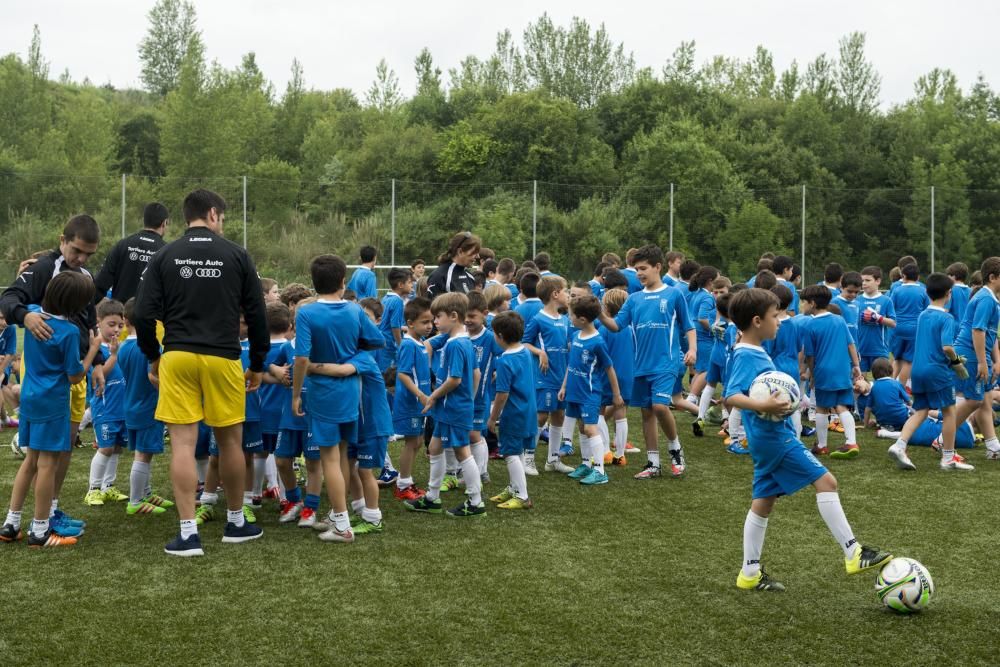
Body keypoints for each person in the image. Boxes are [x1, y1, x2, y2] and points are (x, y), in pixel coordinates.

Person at [724, 287, 892, 592]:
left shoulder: (752, 350)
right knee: (827, 482)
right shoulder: (747, 354)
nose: (781, 320)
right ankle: (853, 552)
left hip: (768, 436)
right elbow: (731, 396)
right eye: (776, 316)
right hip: (772, 437)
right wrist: (765, 405)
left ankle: (749, 573)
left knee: (763, 501)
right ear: (758, 321)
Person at [133, 189, 268, 557]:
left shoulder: (164, 255)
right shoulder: (237, 254)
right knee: (230, 442)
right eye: (221, 217)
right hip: (223, 357)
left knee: (182, 443)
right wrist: (257, 363)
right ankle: (237, 522)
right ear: (213, 214)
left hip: (177, 355)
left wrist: (153, 355)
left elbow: (143, 314)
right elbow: (257, 315)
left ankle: (188, 533)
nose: (221, 223)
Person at [0, 214, 105, 534]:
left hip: (50, 384)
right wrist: (24, 318)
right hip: (56, 380)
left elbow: (89, 322)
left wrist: (98, 360)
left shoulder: (83, 276)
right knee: (48, 457)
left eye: (89, 254)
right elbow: (9, 300)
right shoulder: (44, 268)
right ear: (62, 240)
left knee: (65, 446)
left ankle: (46, 512)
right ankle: (41, 524)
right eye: (77, 250)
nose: (82, 259)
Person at [292, 255, 385, 542]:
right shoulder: (356, 310)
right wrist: (352, 363)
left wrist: (296, 393)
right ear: (343, 282)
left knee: (329, 459)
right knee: (342, 454)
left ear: (313, 284)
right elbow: (376, 341)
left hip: (323, 393)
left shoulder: (306, 313)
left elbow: (302, 357)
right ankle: (338, 512)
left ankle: (342, 525)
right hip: (350, 393)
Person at [598, 244, 695, 479]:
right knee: (647, 413)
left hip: (666, 362)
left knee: (661, 406)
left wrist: (692, 349)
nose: (639, 273)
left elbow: (688, 325)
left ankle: (675, 450)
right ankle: (653, 463)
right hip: (640, 365)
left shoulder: (674, 294)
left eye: (643, 268)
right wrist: (598, 313)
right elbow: (616, 325)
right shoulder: (634, 299)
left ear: (658, 267)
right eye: (637, 269)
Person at [404, 292, 485, 517]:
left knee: (462, 452)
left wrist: (433, 396)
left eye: (437, 316)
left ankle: (476, 501)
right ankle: (432, 497)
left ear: (453, 316)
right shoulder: (461, 340)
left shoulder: (455, 345)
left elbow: (455, 379)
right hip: (448, 407)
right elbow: (476, 374)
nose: (435, 322)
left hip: (452, 408)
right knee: (434, 448)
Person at [886, 273, 972, 471]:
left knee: (922, 411)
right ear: (949, 293)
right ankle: (948, 458)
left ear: (927, 293)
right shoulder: (947, 317)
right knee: (950, 412)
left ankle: (899, 445)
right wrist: (957, 362)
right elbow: (947, 348)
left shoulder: (923, 314)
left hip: (918, 370)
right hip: (937, 371)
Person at [118, 297, 175, 516]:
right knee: (143, 455)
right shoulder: (151, 348)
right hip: (148, 407)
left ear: (126, 319)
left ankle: (146, 493)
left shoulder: (123, 347)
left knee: (143, 452)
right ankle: (135, 501)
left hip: (132, 404)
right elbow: (153, 378)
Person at [560, 295, 623, 486]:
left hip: (589, 393)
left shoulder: (597, 341)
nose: (569, 318)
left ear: (583, 319)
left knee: (590, 428)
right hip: (574, 391)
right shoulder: (575, 335)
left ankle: (599, 471)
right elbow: (571, 365)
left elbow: (609, 368)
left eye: (571, 315)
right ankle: (586, 464)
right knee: (582, 427)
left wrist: (616, 394)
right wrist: (564, 386)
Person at [801, 285, 862, 459]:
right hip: (843, 370)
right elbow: (851, 344)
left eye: (804, 302)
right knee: (842, 405)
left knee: (822, 407)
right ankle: (851, 442)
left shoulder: (810, 325)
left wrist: (812, 375)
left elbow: (810, 356)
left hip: (823, 371)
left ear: (812, 303)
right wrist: (856, 365)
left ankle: (821, 445)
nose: (802, 306)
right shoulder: (839, 320)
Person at [522, 276, 573, 476]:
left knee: (559, 415)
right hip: (545, 376)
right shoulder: (538, 319)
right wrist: (540, 352)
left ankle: (553, 459)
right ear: (555, 294)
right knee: (541, 415)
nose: (568, 294)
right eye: (565, 291)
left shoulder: (565, 319)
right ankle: (528, 457)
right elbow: (525, 343)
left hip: (562, 376)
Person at [950, 257, 1000, 460]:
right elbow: (977, 330)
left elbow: (990, 332)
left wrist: (995, 360)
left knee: (986, 402)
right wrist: (982, 361)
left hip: (979, 353)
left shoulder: (990, 297)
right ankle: (943, 439)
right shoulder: (986, 299)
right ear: (993, 277)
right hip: (971, 353)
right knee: (974, 401)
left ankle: (993, 446)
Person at [487, 311, 536, 509]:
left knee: (510, 453)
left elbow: (502, 395)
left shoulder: (504, 360)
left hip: (514, 413)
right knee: (519, 450)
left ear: (499, 336)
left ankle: (522, 496)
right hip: (529, 409)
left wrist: (492, 418)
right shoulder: (524, 351)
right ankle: (514, 487)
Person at [83, 299, 128, 507]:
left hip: (121, 409)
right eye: (112, 324)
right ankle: (93, 489)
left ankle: (108, 487)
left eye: (120, 325)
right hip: (104, 409)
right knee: (105, 448)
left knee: (117, 448)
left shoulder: (117, 345)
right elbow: (100, 375)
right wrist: (114, 354)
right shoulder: (96, 349)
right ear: (98, 322)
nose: (116, 329)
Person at [392, 297, 433, 501]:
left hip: (420, 403)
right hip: (411, 403)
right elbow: (403, 374)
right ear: (410, 323)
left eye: (431, 321)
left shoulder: (421, 343)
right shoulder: (408, 345)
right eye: (425, 322)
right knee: (411, 443)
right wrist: (420, 395)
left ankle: (406, 481)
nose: (429, 326)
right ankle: (402, 484)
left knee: (417, 442)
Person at [94, 202, 169, 304]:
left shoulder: (122, 245)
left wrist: (88, 313)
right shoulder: (167, 251)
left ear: (144, 220)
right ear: (164, 223)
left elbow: (100, 283)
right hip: (151, 317)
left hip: (121, 316)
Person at [599, 288, 635, 463]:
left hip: (607, 374)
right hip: (628, 374)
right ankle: (620, 455)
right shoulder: (630, 329)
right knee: (621, 414)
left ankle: (605, 451)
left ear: (606, 307)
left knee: (599, 411)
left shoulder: (604, 329)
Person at [688, 266, 720, 437]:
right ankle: (691, 399)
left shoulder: (697, 293)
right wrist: (715, 329)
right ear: (710, 281)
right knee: (706, 370)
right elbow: (702, 318)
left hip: (695, 335)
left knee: (701, 369)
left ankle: (692, 400)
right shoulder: (707, 297)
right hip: (703, 337)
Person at [890, 263, 929, 386]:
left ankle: (890, 384)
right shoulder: (923, 291)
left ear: (903, 276)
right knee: (909, 361)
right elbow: (927, 310)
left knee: (897, 359)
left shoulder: (896, 290)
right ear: (918, 277)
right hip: (914, 330)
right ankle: (899, 389)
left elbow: (891, 308)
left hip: (898, 328)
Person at [856, 267, 896, 372]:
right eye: (862, 281)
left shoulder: (886, 300)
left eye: (868, 280)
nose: (864, 283)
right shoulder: (857, 300)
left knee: (881, 380)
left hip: (879, 350)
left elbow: (893, 323)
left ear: (878, 281)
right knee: (860, 383)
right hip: (861, 349)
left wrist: (878, 318)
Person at [426, 232, 480, 298]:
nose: (478, 256)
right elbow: (432, 307)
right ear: (460, 252)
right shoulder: (439, 277)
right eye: (474, 252)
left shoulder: (470, 277)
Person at [378, 267, 412, 372]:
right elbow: (394, 326)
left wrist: (404, 328)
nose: (412, 285)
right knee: (387, 373)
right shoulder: (397, 301)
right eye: (410, 282)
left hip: (381, 341)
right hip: (388, 343)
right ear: (401, 285)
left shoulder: (386, 298)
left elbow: (386, 321)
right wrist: (400, 344)